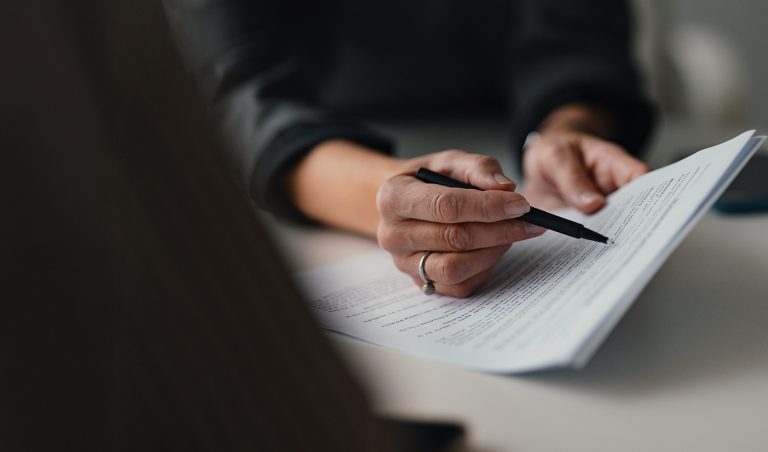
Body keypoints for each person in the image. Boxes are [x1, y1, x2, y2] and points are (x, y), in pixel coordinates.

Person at [165, 0, 655, 297]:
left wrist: (566, 127)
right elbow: (239, 96)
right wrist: (390, 193)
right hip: (331, 155)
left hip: (512, 135)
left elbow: (581, 38)